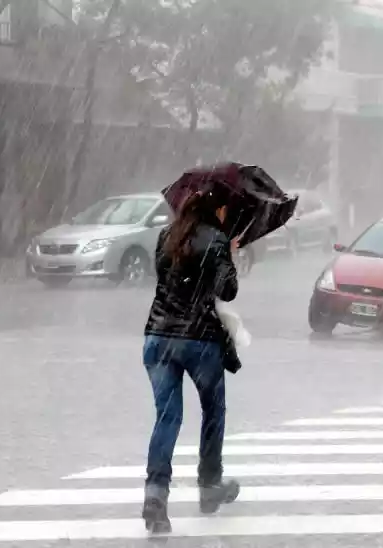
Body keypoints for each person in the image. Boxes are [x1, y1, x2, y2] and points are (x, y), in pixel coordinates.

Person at [141, 185, 241, 534]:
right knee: (213, 411)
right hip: (198, 340)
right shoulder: (216, 240)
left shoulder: (166, 236)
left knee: (167, 418)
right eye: (225, 209)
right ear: (216, 211)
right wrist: (228, 253)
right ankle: (210, 486)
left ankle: (155, 497)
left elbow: (167, 279)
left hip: (158, 337)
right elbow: (227, 290)